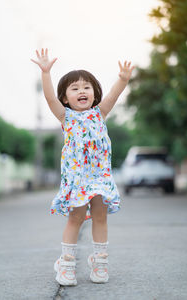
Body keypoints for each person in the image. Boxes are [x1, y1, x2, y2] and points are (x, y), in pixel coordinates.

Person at [31, 48, 134, 286]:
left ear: (94, 93)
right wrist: (46, 72)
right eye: (75, 88)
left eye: (86, 87)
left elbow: (112, 96)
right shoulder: (65, 117)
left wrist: (123, 79)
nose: (82, 91)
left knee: (100, 215)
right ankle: (66, 264)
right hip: (77, 179)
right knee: (76, 217)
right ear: (66, 98)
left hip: (100, 176)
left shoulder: (100, 113)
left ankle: (100, 261)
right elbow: (48, 98)